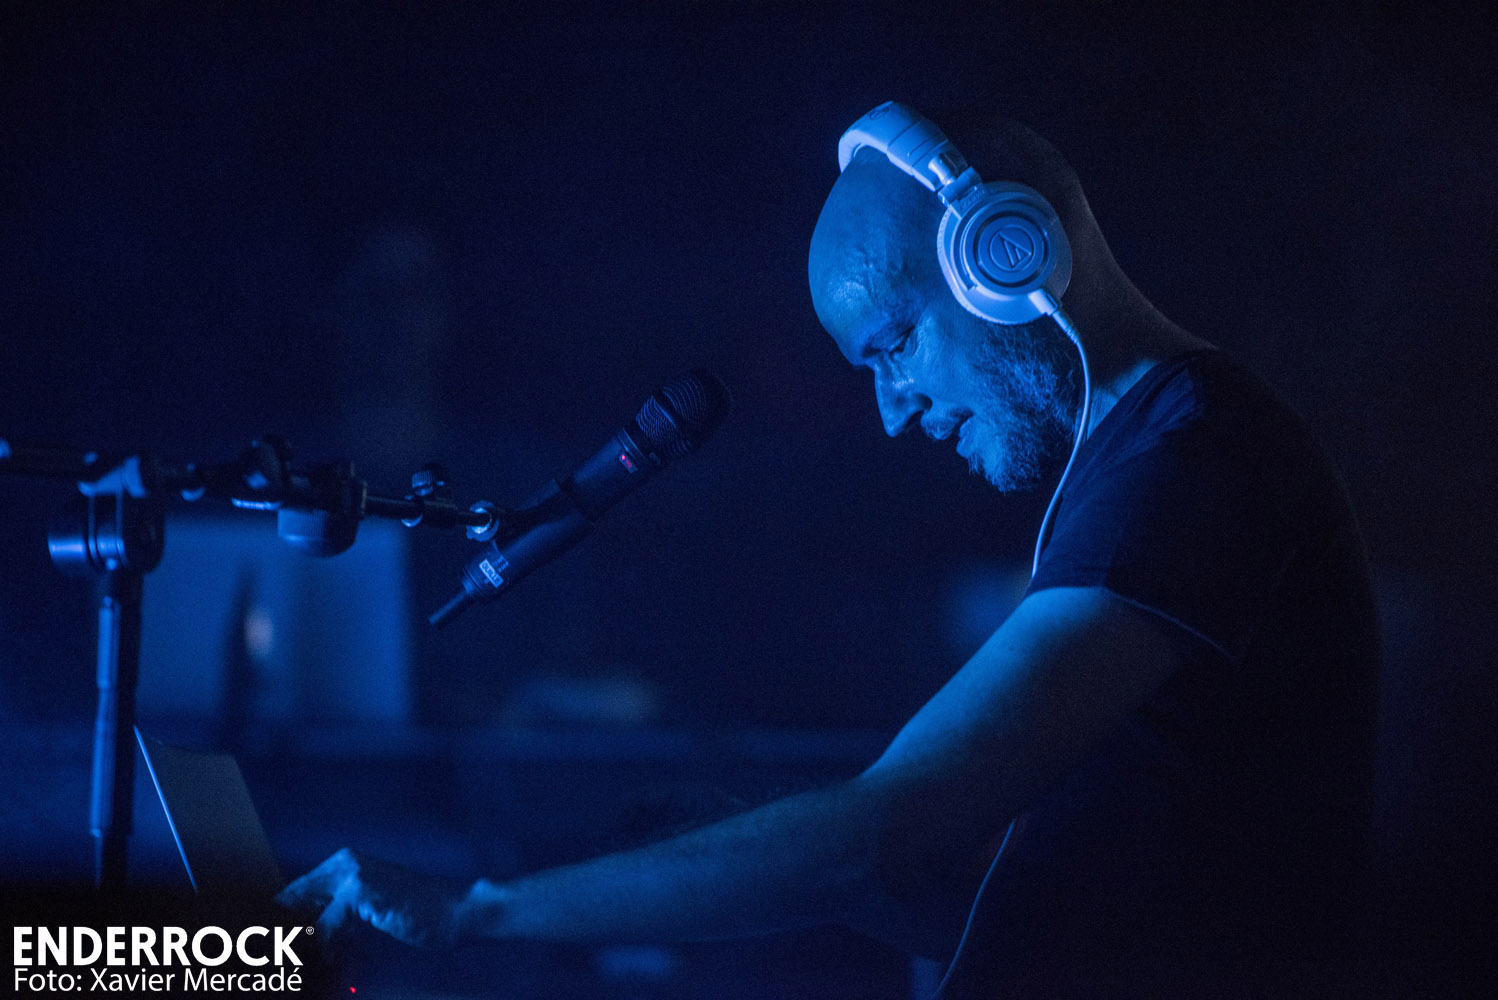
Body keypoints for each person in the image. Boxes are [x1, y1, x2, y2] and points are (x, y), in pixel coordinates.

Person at [280, 104, 1379, 993]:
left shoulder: (1195, 459)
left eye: (894, 345)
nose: (893, 413)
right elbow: (1037, 912)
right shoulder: (1134, 463)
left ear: (1004, 254)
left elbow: (886, 836)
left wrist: (471, 910)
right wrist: (734, 845)